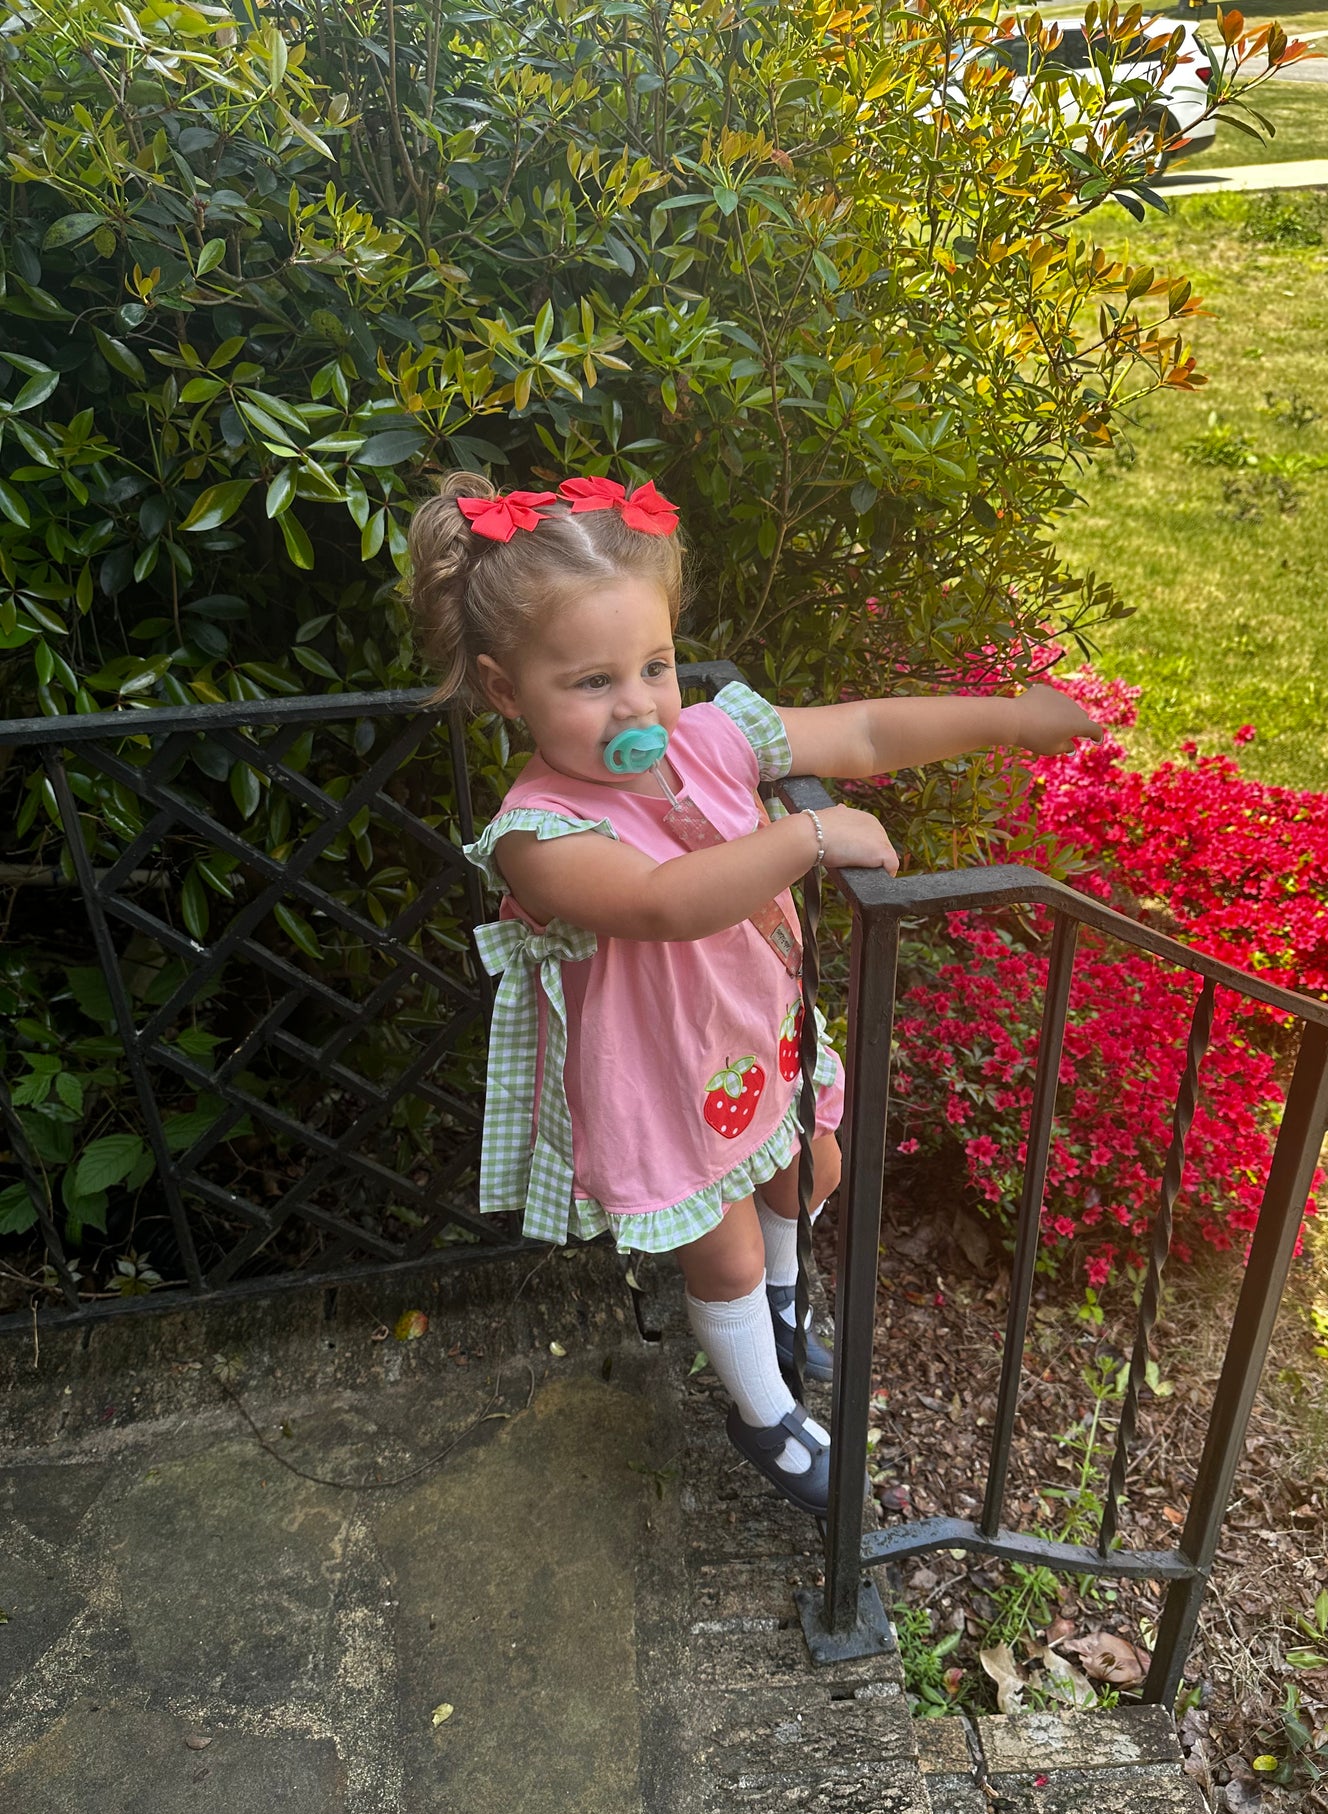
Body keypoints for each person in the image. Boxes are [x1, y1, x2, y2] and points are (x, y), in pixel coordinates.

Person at [406, 470, 1100, 1516]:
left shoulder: (708, 740)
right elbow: (661, 902)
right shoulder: (535, 833)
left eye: (654, 663)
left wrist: (1011, 718)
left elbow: (862, 734)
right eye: (591, 682)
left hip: (752, 1035)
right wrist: (805, 835)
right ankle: (760, 1408)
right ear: (508, 691)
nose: (637, 702)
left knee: (806, 1163)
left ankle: (781, 1299)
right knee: (719, 1245)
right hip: (658, 1077)